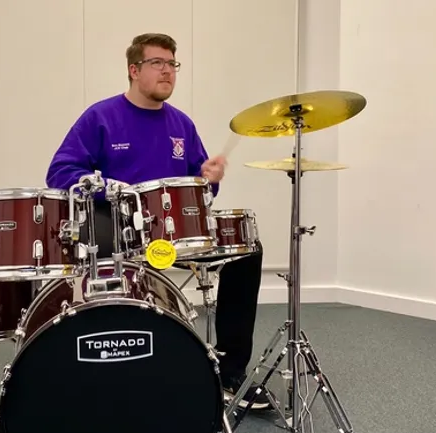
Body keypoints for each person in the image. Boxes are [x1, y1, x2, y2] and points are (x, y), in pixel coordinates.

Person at [45, 32, 272, 411]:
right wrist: (107, 187)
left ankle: (230, 373)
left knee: (246, 252)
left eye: (172, 64)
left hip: (175, 241)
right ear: (134, 70)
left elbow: (196, 194)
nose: (168, 72)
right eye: (158, 63)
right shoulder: (101, 117)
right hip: (120, 241)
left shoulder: (181, 125)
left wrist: (208, 181)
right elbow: (60, 172)